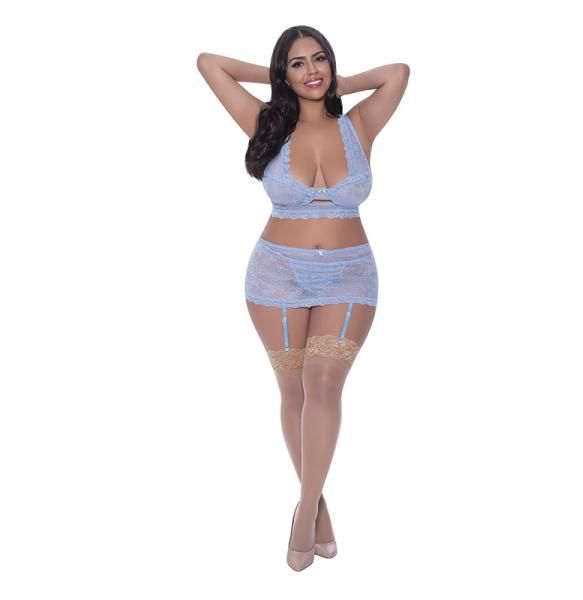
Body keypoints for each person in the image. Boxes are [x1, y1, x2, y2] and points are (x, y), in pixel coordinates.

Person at [196, 25, 409, 571]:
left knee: (323, 383)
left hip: (349, 276)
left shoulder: (359, 124)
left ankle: (306, 508)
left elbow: (397, 73)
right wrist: (280, 85)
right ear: (283, 73)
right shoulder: (266, 122)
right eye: (297, 64)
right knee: (293, 390)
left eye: (319, 60)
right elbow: (209, 62)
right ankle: (321, 509)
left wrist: (334, 86)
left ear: (332, 65)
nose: (311, 70)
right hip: (277, 276)